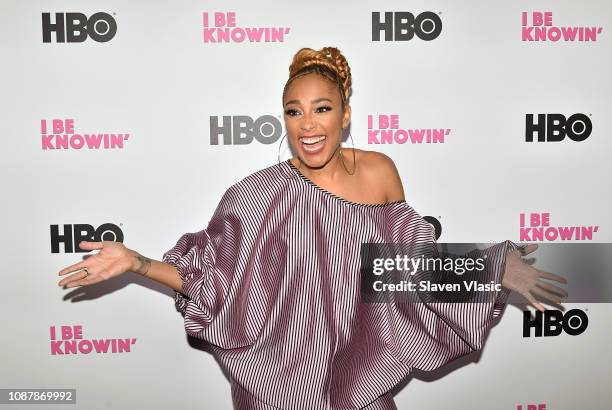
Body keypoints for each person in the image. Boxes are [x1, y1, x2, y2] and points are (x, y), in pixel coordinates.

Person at [57, 46, 568, 410]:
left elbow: (401, 272)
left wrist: (493, 267)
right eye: (294, 112)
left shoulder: (379, 172)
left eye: (322, 109)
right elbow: (210, 281)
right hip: (277, 389)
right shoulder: (258, 194)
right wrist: (138, 262)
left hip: (356, 380)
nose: (307, 125)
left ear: (345, 115)